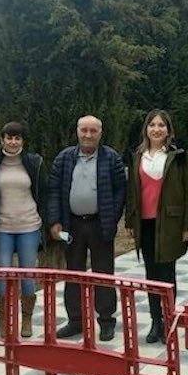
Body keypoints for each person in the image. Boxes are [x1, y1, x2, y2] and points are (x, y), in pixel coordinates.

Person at [47, 115, 127, 341]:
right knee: (74, 273)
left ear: (100, 133)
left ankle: (106, 321)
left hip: (100, 224)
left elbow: (120, 191)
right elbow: (54, 191)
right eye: (84, 130)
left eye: (93, 131)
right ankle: (76, 321)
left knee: (103, 273)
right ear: (77, 132)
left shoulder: (111, 158)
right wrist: (54, 221)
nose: (88, 135)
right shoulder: (64, 158)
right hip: (72, 224)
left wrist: (113, 218)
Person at [125, 109, 188, 344]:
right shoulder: (138, 155)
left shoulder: (178, 157)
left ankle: (168, 321)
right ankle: (156, 322)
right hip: (144, 223)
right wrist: (130, 220)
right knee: (151, 274)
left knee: (167, 274)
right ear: (146, 129)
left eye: (161, 125)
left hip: (170, 224)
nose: (156, 129)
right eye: (152, 125)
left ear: (168, 130)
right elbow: (132, 191)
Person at [0, 121, 44, 338]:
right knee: (3, 276)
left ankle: (26, 319)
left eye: (17, 138)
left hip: (29, 225)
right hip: (2, 228)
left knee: (28, 275)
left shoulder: (34, 163)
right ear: (2, 140)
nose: (13, 142)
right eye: (9, 137)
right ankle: (4, 320)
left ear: (22, 141)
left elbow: (42, 193)